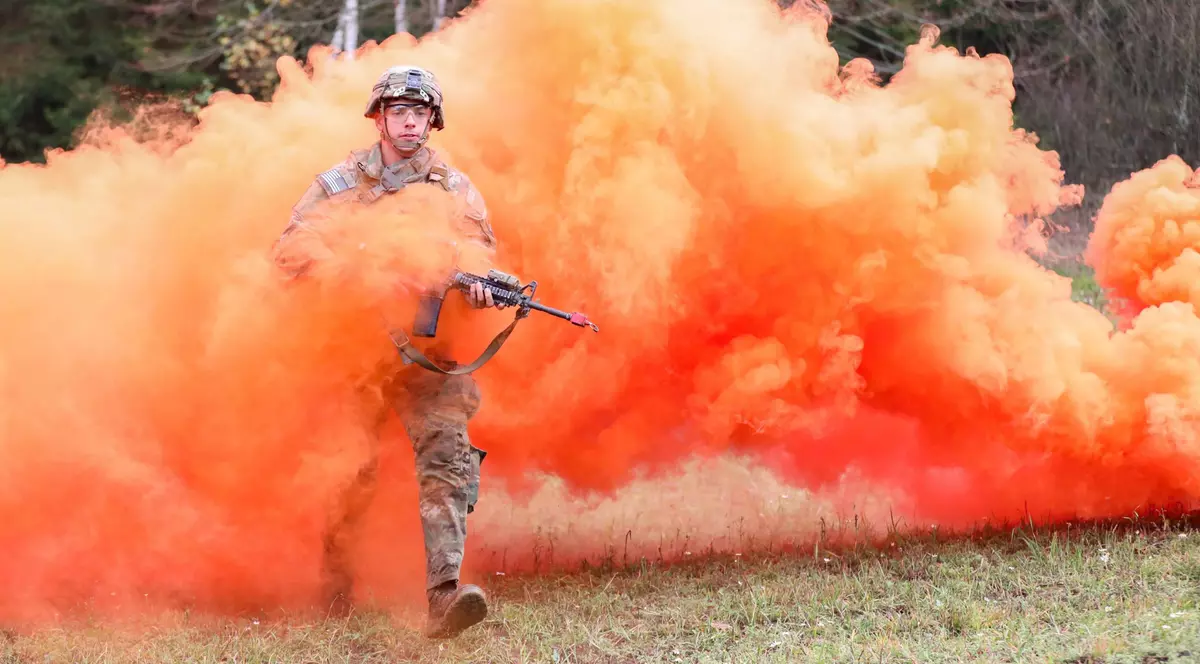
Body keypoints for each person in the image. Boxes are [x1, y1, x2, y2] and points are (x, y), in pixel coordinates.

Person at [271, 65, 498, 639]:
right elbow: (290, 250)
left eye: (419, 113)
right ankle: (335, 584)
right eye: (398, 111)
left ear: (432, 122)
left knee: (447, 457)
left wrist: (476, 284)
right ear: (379, 118)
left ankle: (445, 595)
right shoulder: (341, 184)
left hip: (431, 354)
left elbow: (479, 251)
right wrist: (360, 267)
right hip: (359, 350)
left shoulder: (454, 188)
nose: (409, 122)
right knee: (352, 469)